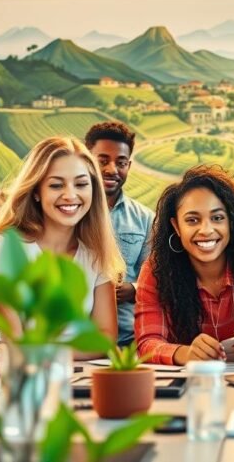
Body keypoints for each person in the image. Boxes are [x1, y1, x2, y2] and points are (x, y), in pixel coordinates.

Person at [0, 137, 123, 349]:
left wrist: (49, 352)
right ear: (37, 192)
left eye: (81, 184)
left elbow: (104, 339)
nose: (70, 195)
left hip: (74, 377)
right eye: (56, 185)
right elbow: (16, 343)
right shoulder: (3, 250)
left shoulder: (96, 256)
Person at [135, 166, 234, 365]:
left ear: (231, 221)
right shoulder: (156, 270)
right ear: (176, 227)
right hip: (188, 383)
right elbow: (147, 343)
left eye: (217, 218)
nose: (206, 230)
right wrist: (186, 354)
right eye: (192, 220)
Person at [86, 121, 154, 347]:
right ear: (87, 159)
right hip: (76, 342)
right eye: (103, 161)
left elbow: (157, 279)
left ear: (129, 165)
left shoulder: (145, 219)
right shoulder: (70, 213)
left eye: (121, 162)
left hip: (128, 343)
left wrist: (132, 289)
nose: (112, 169)